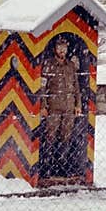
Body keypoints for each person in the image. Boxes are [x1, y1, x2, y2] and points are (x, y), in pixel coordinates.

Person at [40, 35, 82, 172]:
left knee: (66, 137)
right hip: (53, 108)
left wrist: (78, 105)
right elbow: (43, 87)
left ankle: (63, 165)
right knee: (50, 137)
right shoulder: (49, 65)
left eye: (64, 48)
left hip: (69, 108)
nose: (62, 51)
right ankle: (47, 166)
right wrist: (43, 106)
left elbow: (76, 87)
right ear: (55, 49)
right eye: (59, 48)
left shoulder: (70, 66)